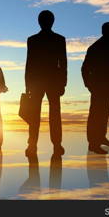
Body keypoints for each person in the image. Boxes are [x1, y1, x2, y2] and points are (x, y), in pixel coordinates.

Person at [25, 10, 67, 157]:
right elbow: (63, 64)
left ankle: (37, 145)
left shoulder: (34, 40)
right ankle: (52, 145)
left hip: (42, 82)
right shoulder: (58, 39)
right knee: (51, 114)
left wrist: (28, 85)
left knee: (37, 114)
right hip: (50, 82)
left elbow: (29, 64)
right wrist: (63, 83)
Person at [82, 22, 109, 154]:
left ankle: (101, 137)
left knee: (104, 113)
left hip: (108, 86)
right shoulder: (95, 47)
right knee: (96, 114)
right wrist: (90, 85)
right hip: (98, 87)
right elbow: (85, 68)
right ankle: (93, 143)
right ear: (105, 32)